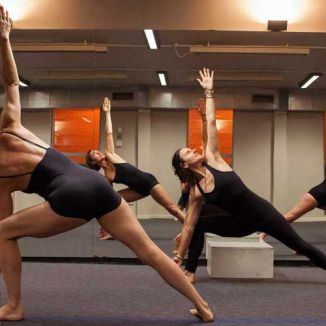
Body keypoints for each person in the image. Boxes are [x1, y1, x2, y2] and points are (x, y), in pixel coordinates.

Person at [0, 8, 213, 321]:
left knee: (3, 233)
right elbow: (12, 83)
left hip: (71, 195)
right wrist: (5, 38)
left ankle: (15, 305)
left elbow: (6, 225)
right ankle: (204, 307)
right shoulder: (11, 126)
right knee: (150, 251)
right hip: (97, 184)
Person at [172, 68, 326, 272]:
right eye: (188, 153)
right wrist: (179, 257)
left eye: (191, 149)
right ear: (185, 165)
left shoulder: (215, 159)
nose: (193, 151)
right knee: (198, 224)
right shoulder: (196, 191)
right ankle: (189, 270)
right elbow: (189, 226)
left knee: (300, 245)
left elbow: (210, 121)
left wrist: (209, 92)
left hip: (263, 214)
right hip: (238, 226)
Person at [85, 97, 185, 239]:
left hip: (149, 182)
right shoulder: (107, 175)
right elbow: (109, 196)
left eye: (96, 150)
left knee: (172, 209)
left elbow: (109, 133)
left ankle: (193, 228)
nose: (97, 152)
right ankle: (113, 231)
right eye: (93, 154)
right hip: (137, 190)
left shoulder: (111, 156)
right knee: (115, 200)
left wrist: (107, 113)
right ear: (93, 162)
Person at [259, 180, 326, 240]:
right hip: (317, 195)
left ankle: (300, 247)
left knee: (290, 216)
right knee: (290, 216)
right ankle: (262, 235)